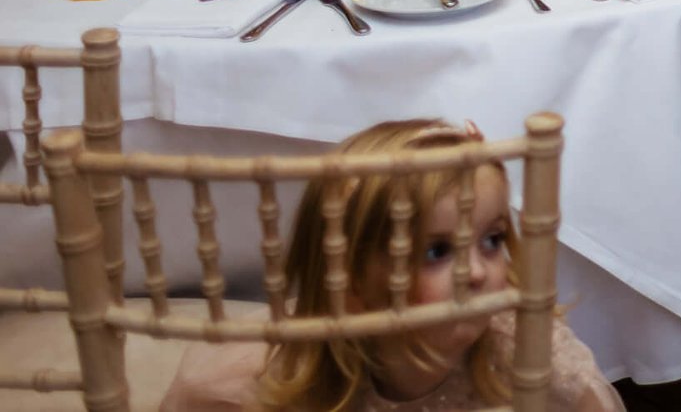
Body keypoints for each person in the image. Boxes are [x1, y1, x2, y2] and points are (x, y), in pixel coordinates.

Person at [159, 119, 622, 412]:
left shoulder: (527, 352)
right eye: (437, 251)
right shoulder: (266, 381)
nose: (478, 273)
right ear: (350, 277)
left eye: (492, 240)